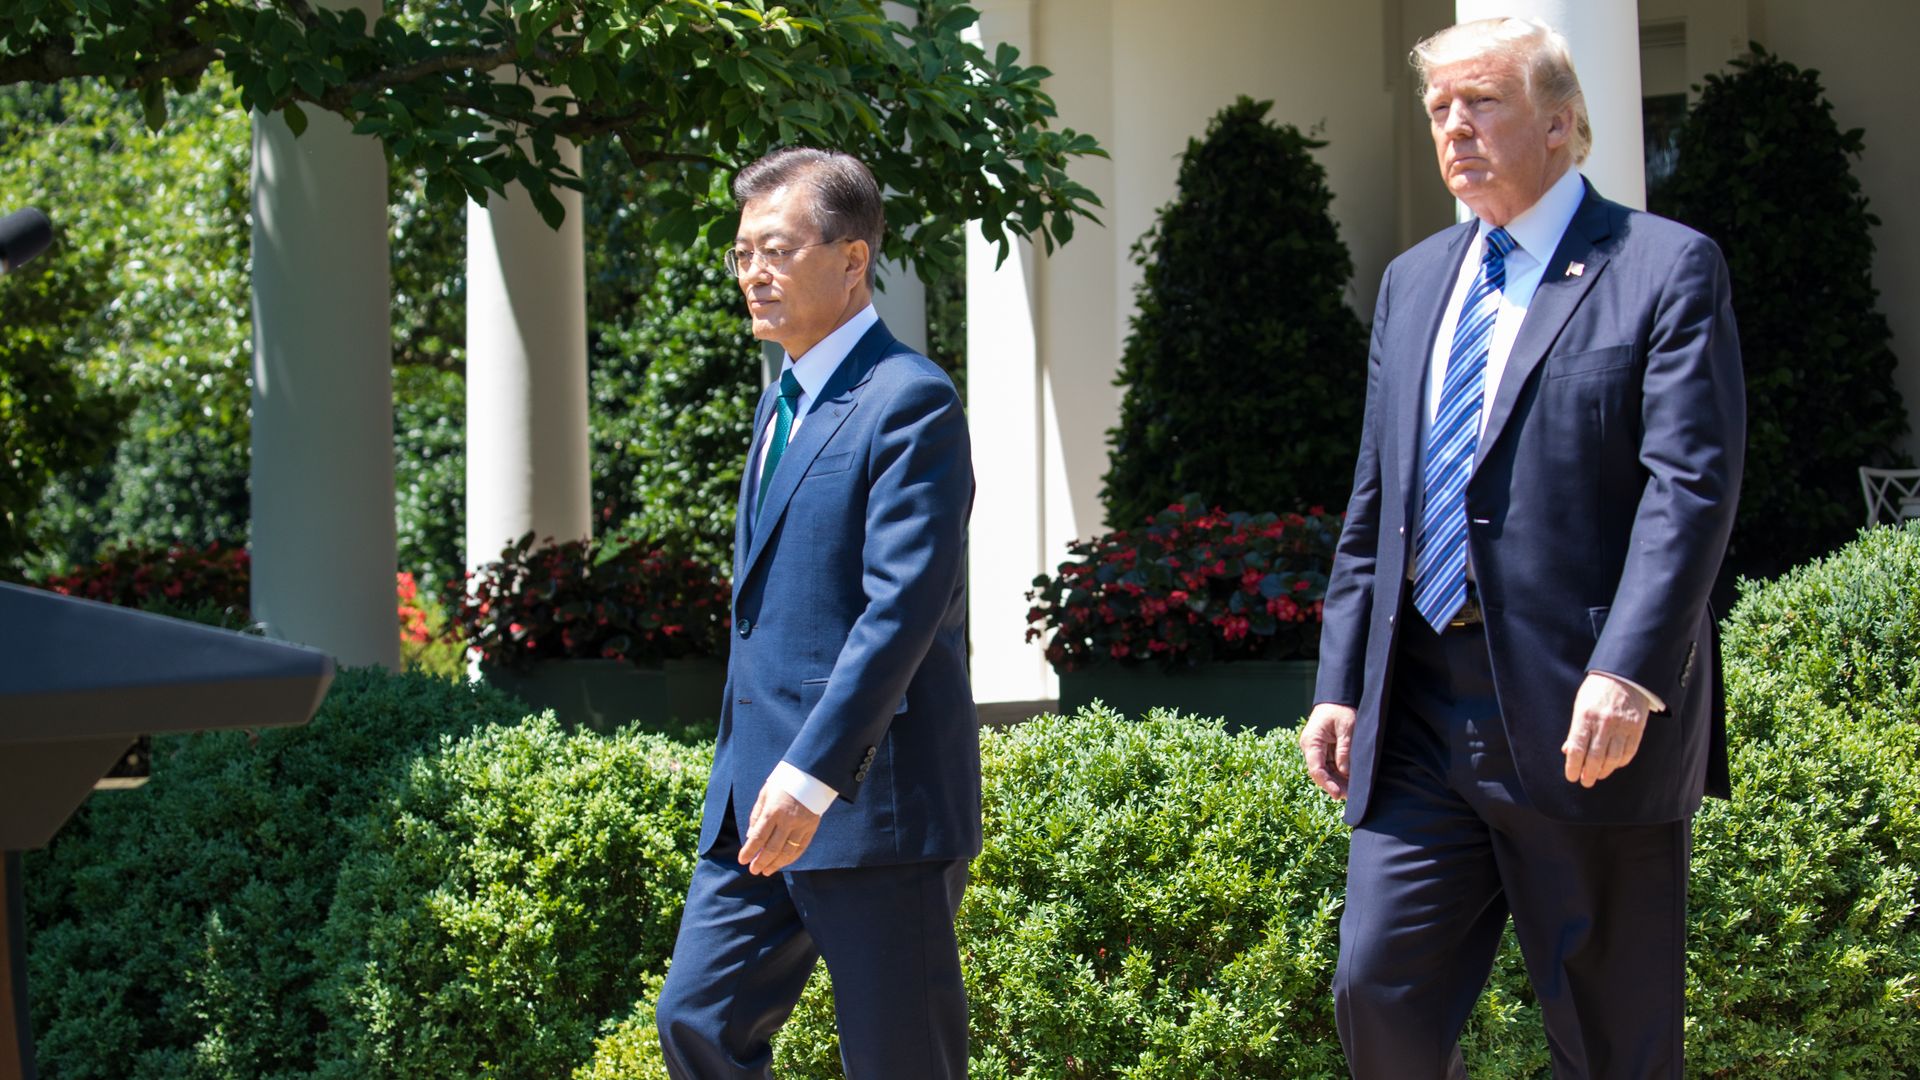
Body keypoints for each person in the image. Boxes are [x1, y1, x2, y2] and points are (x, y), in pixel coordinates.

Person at [1297, 17, 1744, 1079]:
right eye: (1440, 108)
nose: (1454, 126)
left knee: (1611, 1043)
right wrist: (1341, 679)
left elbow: (1690, 491)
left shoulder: (1662, 268)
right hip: (1420, 708)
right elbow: (1378, 499)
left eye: (1481, 101)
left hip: (1581, 715)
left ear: (1561, 122)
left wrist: (1631, 670)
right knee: (1377, 994)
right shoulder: (1414, 282)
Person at [654, 147, 978, 1079]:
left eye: (778, 250)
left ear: (852, 259)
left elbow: (902, 612)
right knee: (698, 1022)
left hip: (871, 804)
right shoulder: (781, 399)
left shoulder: (910, 400)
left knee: (899, 1062)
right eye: (742, 253)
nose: (754, 273)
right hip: (750, 802)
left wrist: (813, 775)